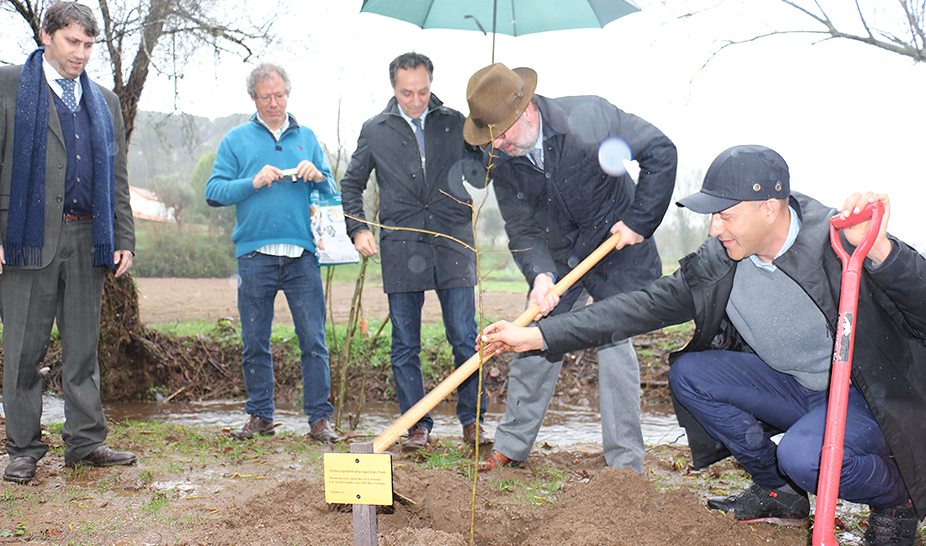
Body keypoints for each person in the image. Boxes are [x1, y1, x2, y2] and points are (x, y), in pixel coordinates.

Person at [478, 145, 926, 545]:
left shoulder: (840, 241)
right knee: (692, 375)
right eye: (712, 216)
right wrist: (536, 336)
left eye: (725, 215)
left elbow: (921, 308)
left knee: (804, 455)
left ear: (770, 208)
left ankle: (897, 496)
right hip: (796, 389)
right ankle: (779, 493)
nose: (714, 229)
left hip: (867, 396)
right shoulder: (719, 261)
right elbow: (634, 309)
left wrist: (883, 251)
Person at [462, 63, 677, 472]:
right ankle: (510, 445)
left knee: (614, 345)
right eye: (492, 141)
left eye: (502, 135)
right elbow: (523, 227)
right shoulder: (504, 159)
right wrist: (540, 274)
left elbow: (661, 152)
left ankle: (625, 466)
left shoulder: (589, 117)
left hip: (619, 246)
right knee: (533, 336)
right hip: (561, 258)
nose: (499, 146)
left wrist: (640, 222)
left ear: (526, 111)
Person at [0, 1, 137, 484]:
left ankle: (85, 442)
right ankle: (22, 447)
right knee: (22, 349)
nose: (81, 53)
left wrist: (123, 237)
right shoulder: (9, 86)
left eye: (89, 44)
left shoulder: (105, 100)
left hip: (88, 236)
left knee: (82, 348)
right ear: (46, 35)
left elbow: (116, 178)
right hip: (24, 237)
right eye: (72, 42)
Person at [341, 52, 488, 450]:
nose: (417, 100)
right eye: (407, 93)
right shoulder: (375, 130)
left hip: (453, 240)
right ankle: (417, 424)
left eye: (423, 91)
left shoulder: (456, 121)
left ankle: (472, 421)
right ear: (394, 89)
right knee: (405, 341)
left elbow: (482, 172)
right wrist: (357, 229)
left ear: (431, 84)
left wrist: (485, 132)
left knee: (464, 336)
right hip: (401, 244)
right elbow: (351, 184)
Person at [205, 63, 338, 443]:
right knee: (255, 342)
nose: (274, 103)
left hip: (303, 256)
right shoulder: (236, 139)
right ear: (254, 98)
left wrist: (319, 176)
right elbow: (213, 192)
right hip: (254, 256)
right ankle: (260, 415)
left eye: (280, 95)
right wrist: (253, 181)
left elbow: (331, 193)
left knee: (313, 340)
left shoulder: (308, 137)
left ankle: (319, 421)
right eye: (266, 97)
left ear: (288, 95)